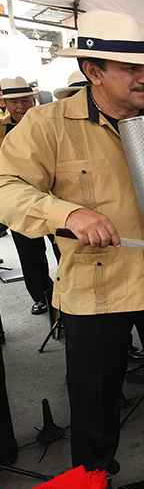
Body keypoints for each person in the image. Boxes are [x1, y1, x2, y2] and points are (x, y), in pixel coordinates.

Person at [0, 10, 144, 473]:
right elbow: (6, 188)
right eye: (131, 69)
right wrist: (68, 213)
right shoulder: (47, 125)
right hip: (97, 294)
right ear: (92, 71)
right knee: (95, 406)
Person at [0, 77, 58, 315]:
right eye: (14, 102)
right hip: (21, 202)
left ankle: (66, 297)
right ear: (5, 104)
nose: (20, 106)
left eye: (24, 100)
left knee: (63, 250)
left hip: (55, 199)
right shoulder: (1, 129)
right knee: (29, 255)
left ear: (33, 99)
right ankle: (42, 296)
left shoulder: (50, 123)